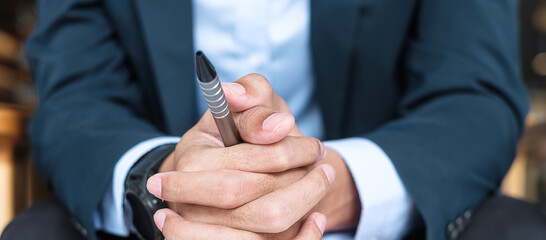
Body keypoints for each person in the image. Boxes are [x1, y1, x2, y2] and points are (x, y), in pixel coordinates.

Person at [0, 0, 530, 239]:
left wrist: (327, 186)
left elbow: (473, 96)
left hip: (373, 207)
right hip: (161, 218)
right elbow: (76, 98)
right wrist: (166, 181)